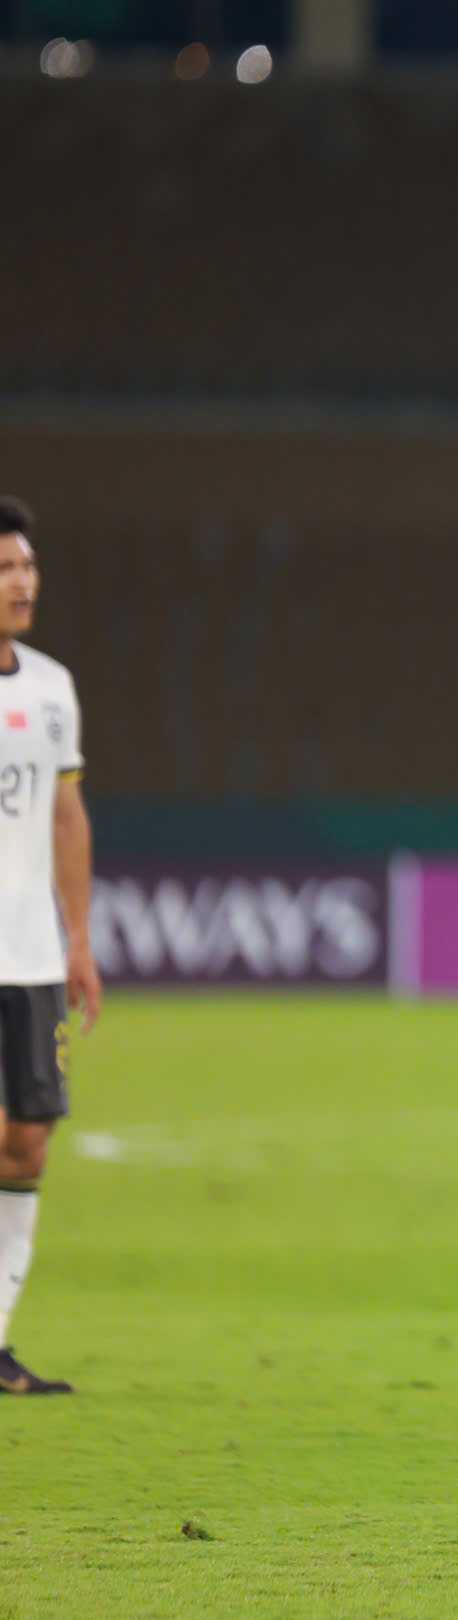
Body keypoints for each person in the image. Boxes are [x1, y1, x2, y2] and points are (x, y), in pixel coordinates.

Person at [0, 497, 102, 1396]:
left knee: (28, 1142)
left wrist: (79, 940)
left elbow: (66, 815)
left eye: (27, 565)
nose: (23, 581)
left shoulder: (50, 688)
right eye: (6, 568)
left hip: (31, 956)